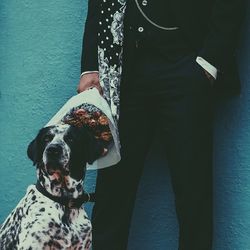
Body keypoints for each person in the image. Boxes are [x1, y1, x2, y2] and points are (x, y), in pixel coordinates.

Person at [77, 1, 245, 249]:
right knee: (112, 191)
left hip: (186, 64)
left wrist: (210, 61)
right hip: (125, 70)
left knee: (193, 193)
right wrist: (90, 66)